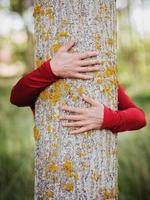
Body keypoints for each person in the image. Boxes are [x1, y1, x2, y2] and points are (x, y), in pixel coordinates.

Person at [10, 37, 147, 134]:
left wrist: (108, 118)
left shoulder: (102, 79)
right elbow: (16, 97)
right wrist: (52, 69)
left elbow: (139, 118)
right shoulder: (42, 78)